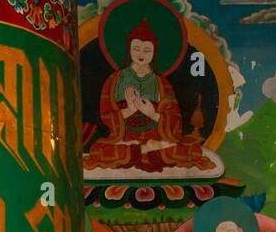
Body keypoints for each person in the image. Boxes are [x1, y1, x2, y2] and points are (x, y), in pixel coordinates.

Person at [85, 18, 214, 173]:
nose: (141, 54)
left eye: (147, 50)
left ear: (154, 52)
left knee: (190, 149)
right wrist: (129, 110)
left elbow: (175, 121)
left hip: (157, 140)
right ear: (129, 50)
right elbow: (106, 117)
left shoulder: (162, 83)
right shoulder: (114, 81)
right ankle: (141, 150)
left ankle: (143, 150)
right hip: (124, 140)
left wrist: (153, 114)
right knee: (99, 149)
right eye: (136, 49)